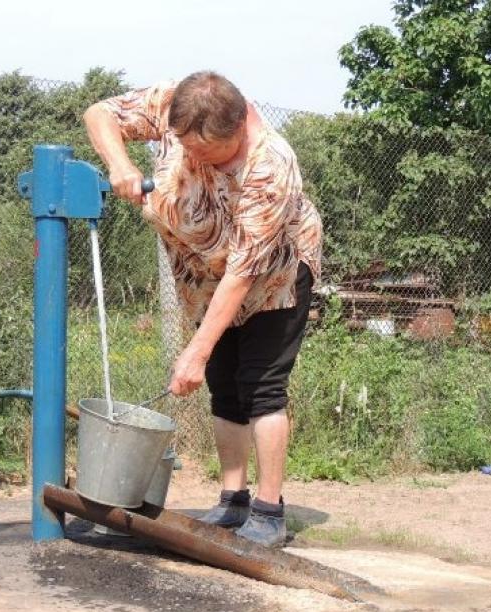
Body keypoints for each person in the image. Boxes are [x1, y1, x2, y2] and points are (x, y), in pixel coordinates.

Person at [83, 71, 322, 547]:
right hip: (208, 273)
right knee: (224, 386)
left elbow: (244, 270)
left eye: (206, 152)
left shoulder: (271, 166)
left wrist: (195, 350)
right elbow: (100, 113)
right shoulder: (182, 102)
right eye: (184, 146)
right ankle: (233, 501)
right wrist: (120, 163)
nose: (192, 158)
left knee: (261, 386)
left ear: (239, 126)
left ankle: (270, 511)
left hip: (272, 274)